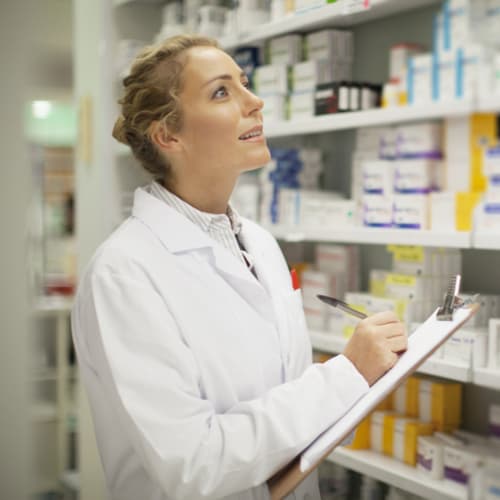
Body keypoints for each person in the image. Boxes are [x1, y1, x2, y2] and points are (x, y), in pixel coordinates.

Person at [71, 34, 407, 500]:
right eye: (222, 92)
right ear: (168, 135)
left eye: (244, 83)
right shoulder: (123, 274)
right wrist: (346, 375)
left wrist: (359, 383)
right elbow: (192, 465)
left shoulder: (260, 245)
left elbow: (285, 400)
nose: (256, 102)